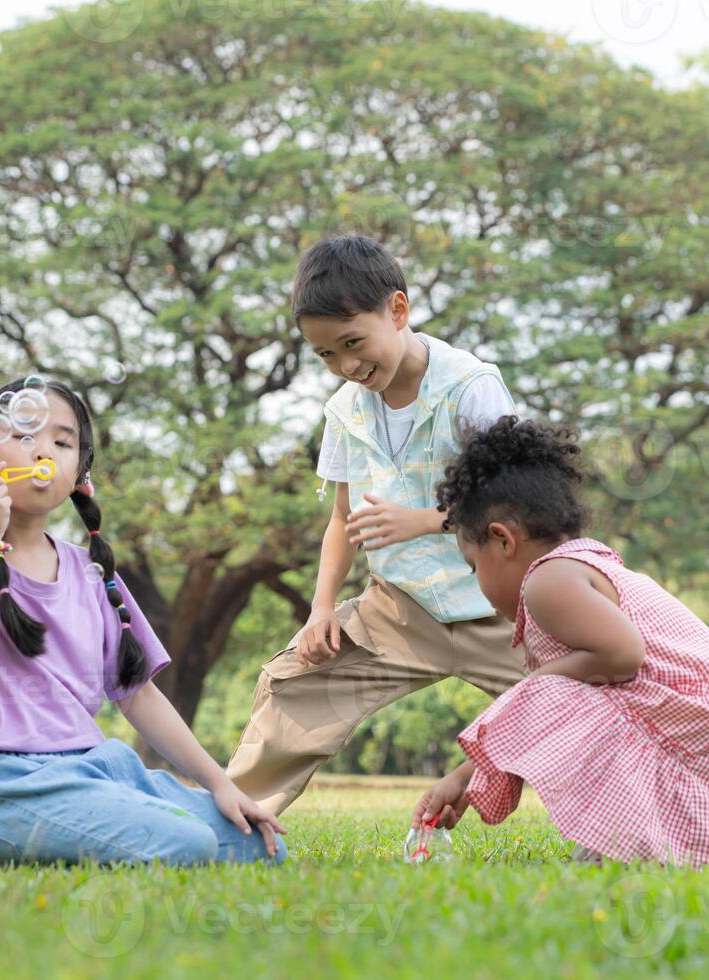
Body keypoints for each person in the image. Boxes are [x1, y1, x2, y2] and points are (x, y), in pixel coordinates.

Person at [0, 377, 286, 869]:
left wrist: (221, 784)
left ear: (78, 474)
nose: (43, 449)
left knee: (260, 848)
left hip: (93, 770)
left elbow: (138, 693)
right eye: (24, 435)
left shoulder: (91, 574)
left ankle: (8, 851)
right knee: (187, 845)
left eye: (62, 442)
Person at [411, 417, 709, 867]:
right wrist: (466, 777)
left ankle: (623, 846)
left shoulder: (548, 581)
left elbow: (623, 656)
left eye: (473, 567)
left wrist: (533, 687)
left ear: (502, 540)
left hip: (705, 749)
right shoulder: (580, 564)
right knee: (552, 694)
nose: (478, 585)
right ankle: (633, 842)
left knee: (553, 693)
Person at [226, 235, 527, 814]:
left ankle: (633, 830)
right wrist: (320, 609)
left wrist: (425, 520)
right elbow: (342, 520)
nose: (346, 366)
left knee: (580, 703)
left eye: (352, 343)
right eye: (325, 355)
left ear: (397, 310)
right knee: (296, 685)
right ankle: (229, 824)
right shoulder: (344, 409)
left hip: (498, 609)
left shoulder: (471, 387)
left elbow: (514, 500)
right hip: (401, 609)